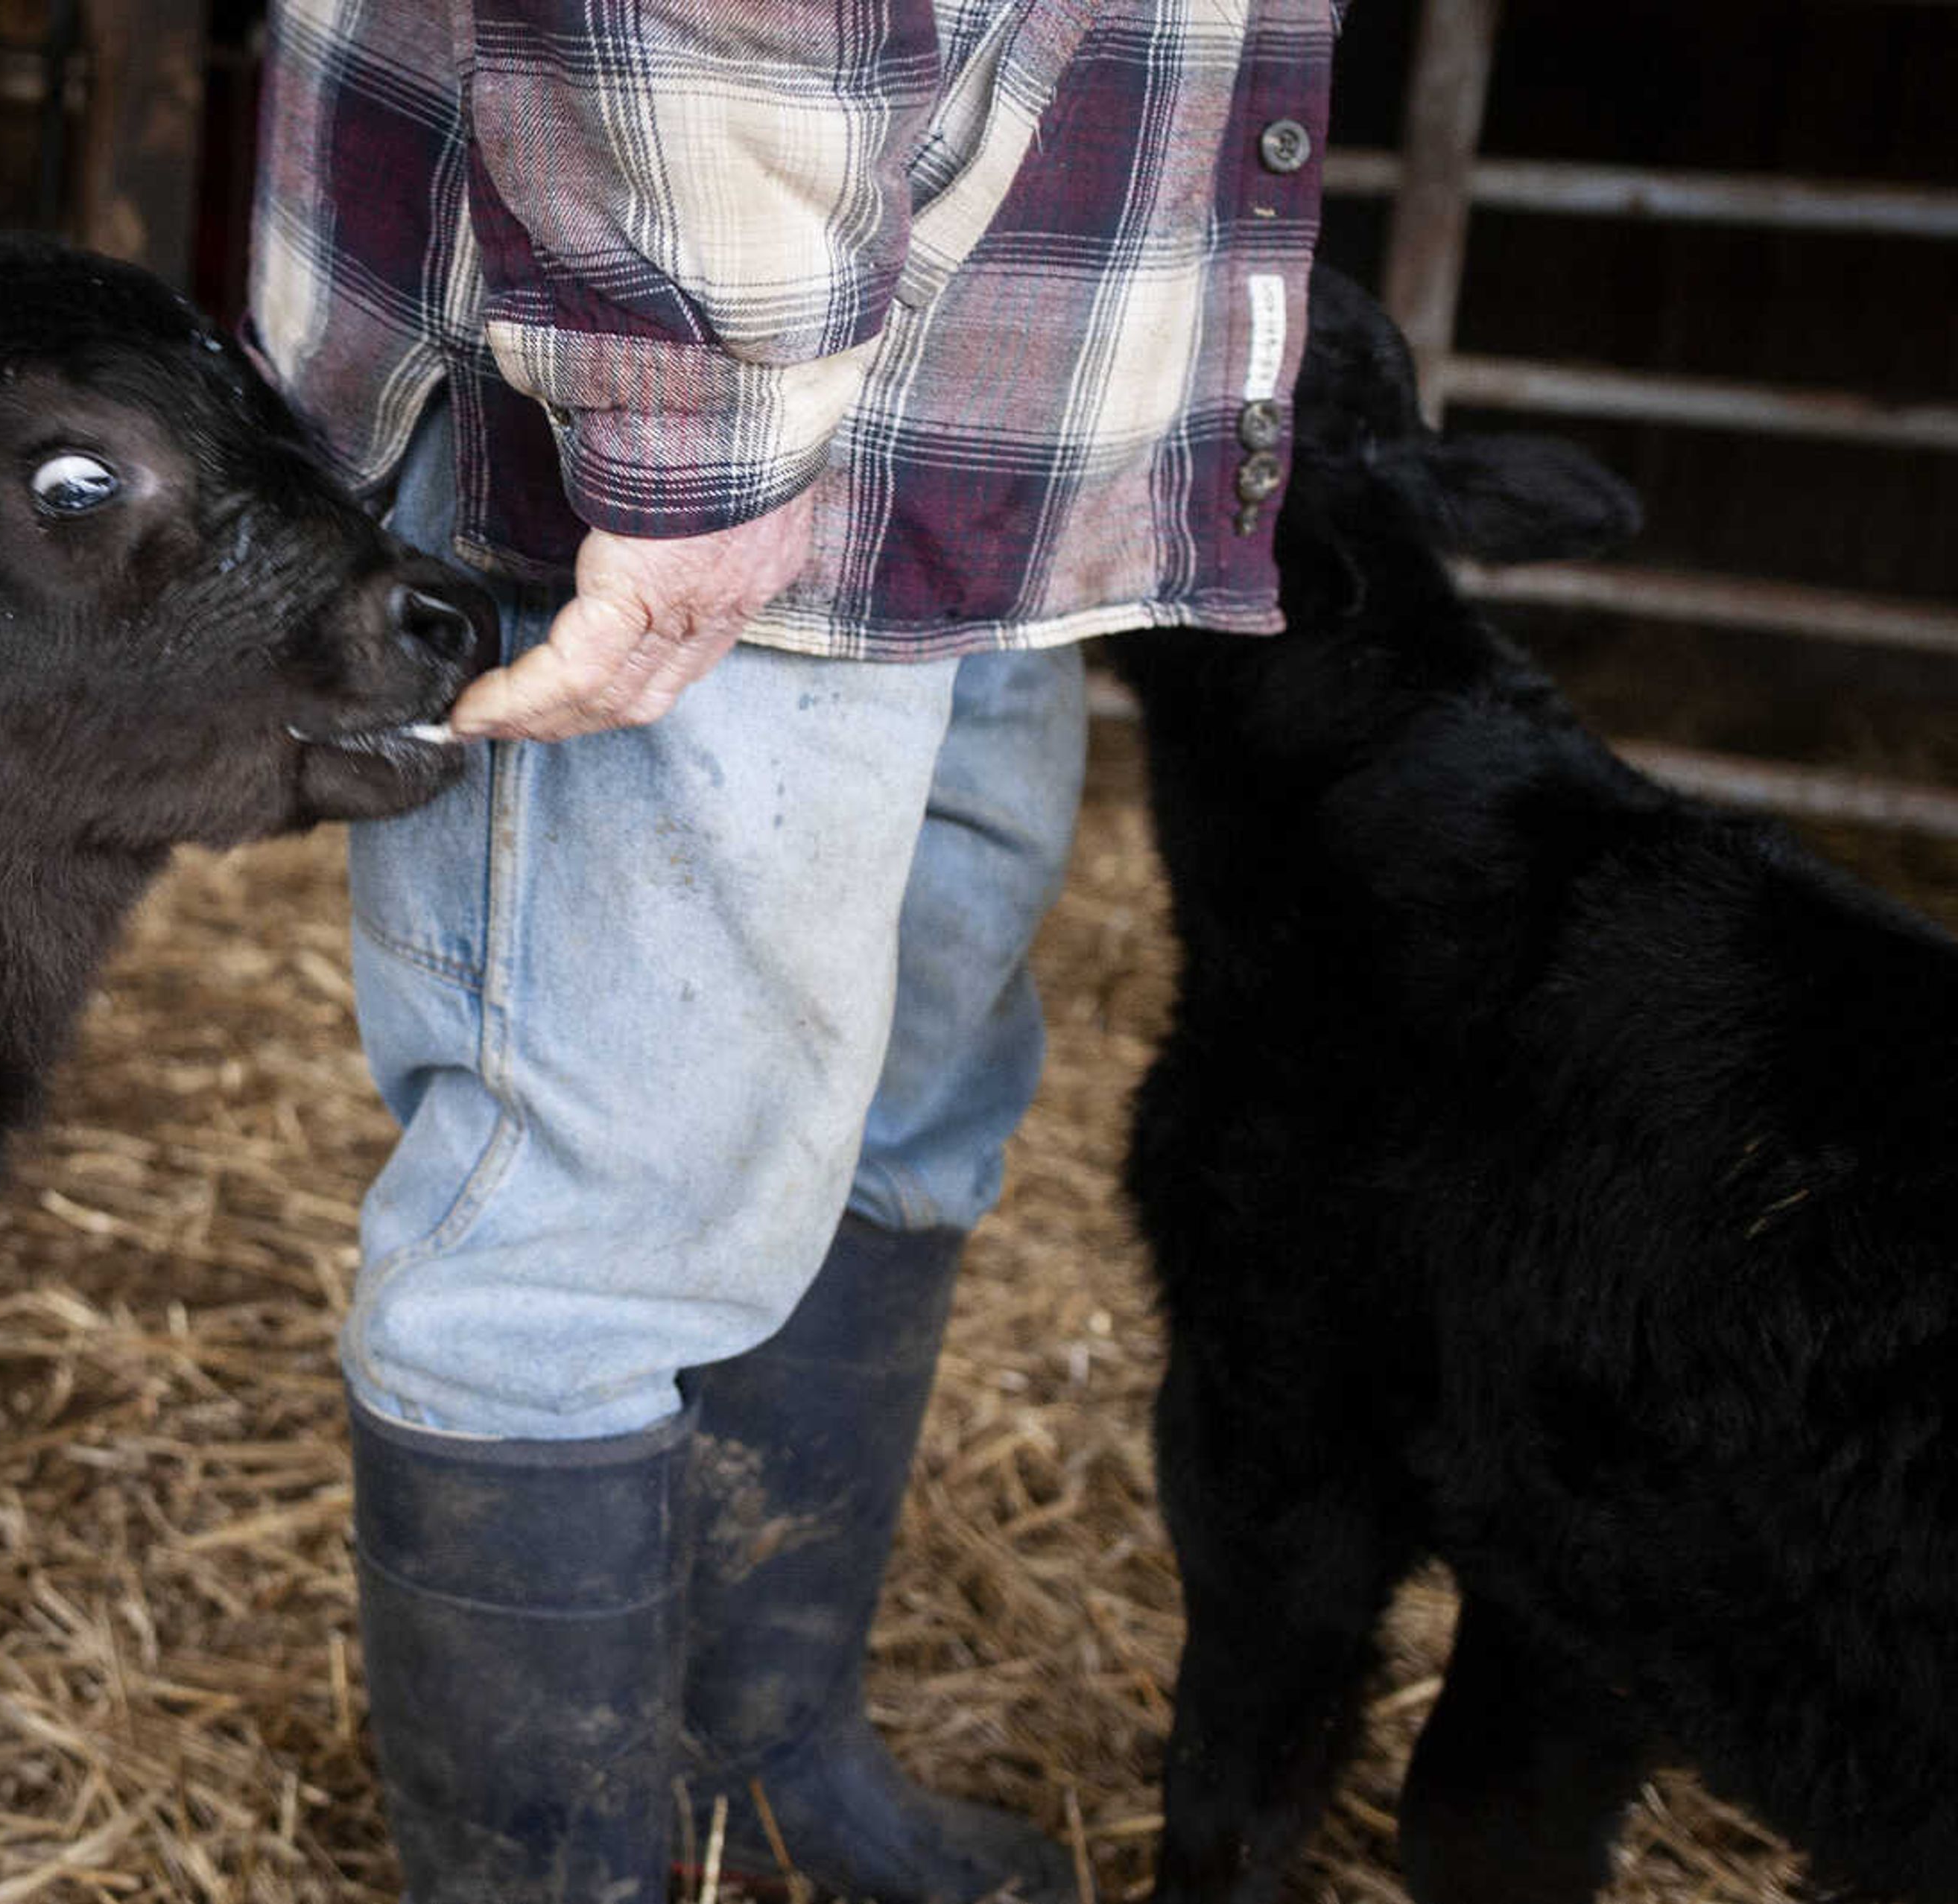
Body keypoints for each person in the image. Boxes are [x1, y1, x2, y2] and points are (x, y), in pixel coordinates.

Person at [244, 4, 1340, 1899]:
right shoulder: (691, 397)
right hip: (689, 321)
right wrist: (692, 428)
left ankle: (757, 1757)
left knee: (898, 1102)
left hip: (999, 390)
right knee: (589, 1230)